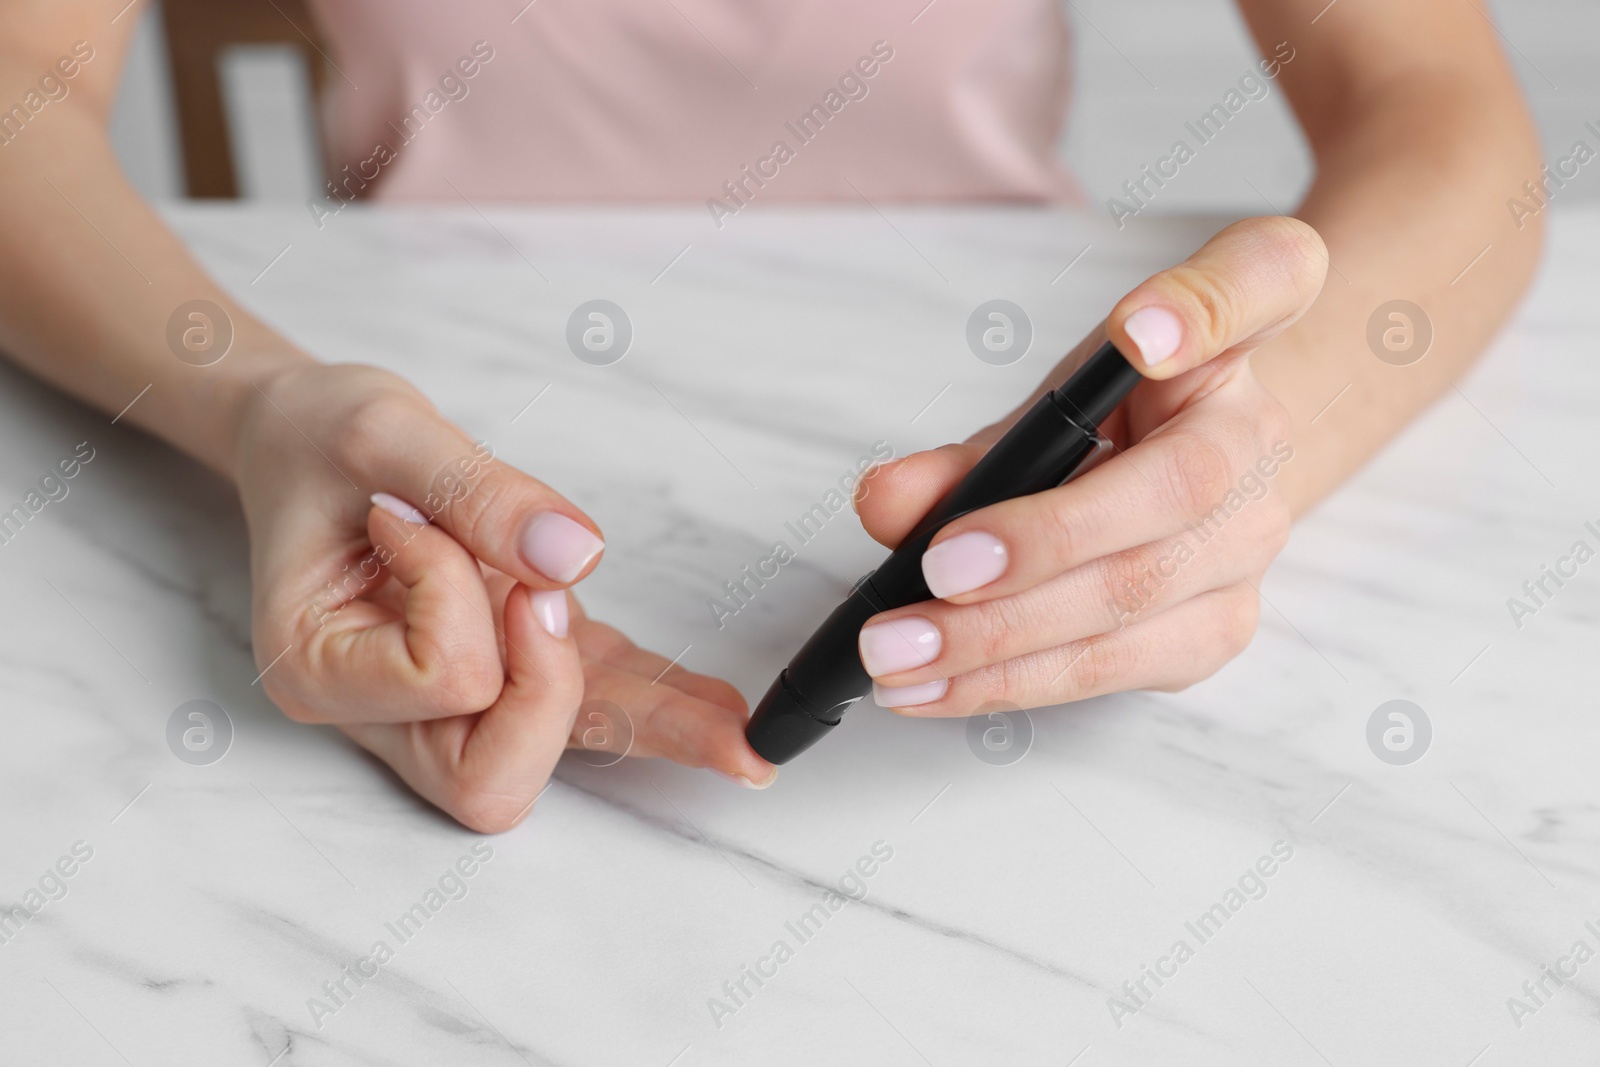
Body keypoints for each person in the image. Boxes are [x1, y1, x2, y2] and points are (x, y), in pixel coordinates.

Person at [0, 1, 1542, 830]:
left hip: (994, 376)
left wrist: (1253, 450)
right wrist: (263, 406)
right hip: (428, 413)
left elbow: (1442, 108)